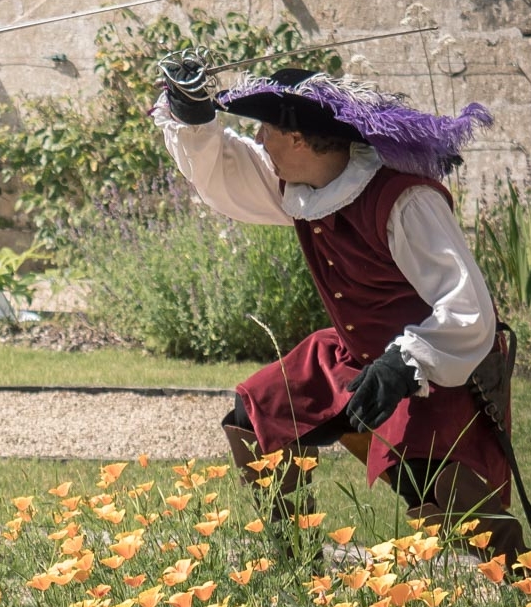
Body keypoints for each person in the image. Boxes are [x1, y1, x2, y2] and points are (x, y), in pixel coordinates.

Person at [154, 59, 528, 565]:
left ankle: (518, 582)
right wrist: (194, 115)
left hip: (436, 367)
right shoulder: (300, 185)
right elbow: (228, 170)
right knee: (260, 415)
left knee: (437, 490)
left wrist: (403, 365)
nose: (261, 141)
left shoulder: (404, 200)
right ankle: (298, 566)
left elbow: (467, 308)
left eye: (267, 131)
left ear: (299, 139)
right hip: (354, 355)